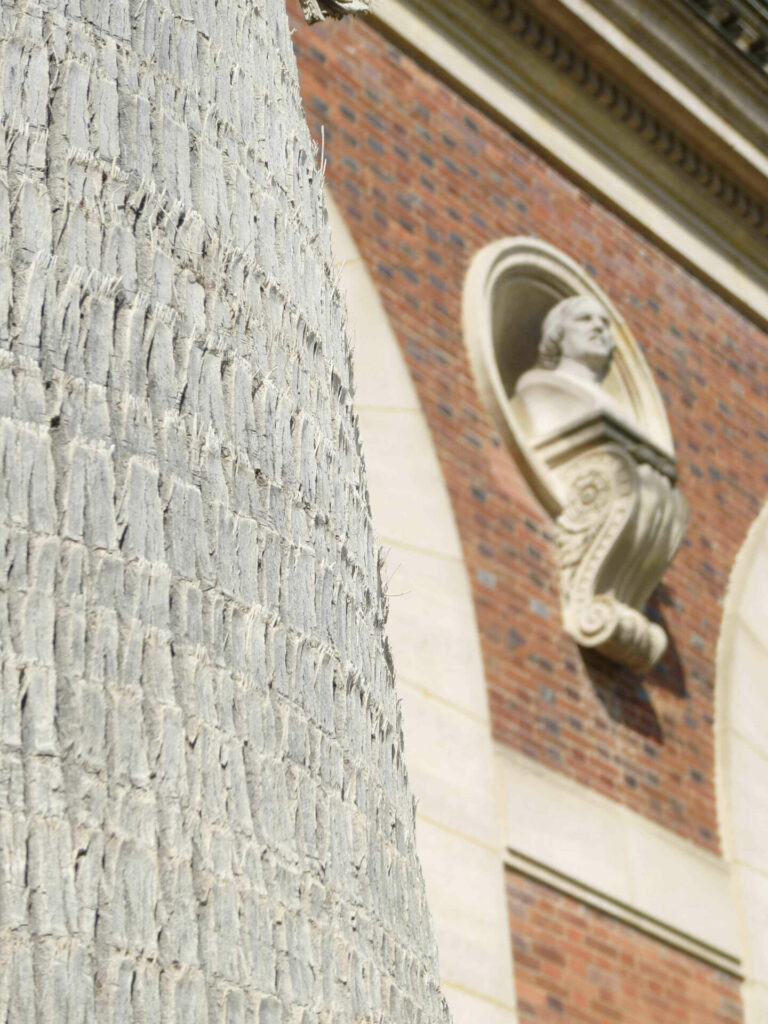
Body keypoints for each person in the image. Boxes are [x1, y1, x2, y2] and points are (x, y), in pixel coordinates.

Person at [514, 294, 630, 439]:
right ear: (558, 333)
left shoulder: (617, 408)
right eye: (584, 318)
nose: (599, 326)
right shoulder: (540, 384)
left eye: (605, 322)